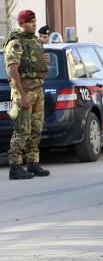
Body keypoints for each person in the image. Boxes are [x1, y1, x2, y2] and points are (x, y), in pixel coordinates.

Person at [4, 10, 50, 180]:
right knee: (22, 130)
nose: (34, 24)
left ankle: (33, 163)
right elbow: (12, 70)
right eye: (30, 22)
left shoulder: (36, 41)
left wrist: (42, 59)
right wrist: (22, 95)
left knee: (35, 129)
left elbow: (34, 63)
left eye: (35, 21)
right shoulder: (15, 43)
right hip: (24, 91)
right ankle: (15, 166)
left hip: (37, 90)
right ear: (22, 24)